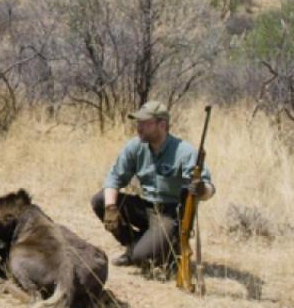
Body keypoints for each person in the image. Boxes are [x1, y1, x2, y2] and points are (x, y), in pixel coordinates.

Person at [90, 101, 214, 268]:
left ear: (162, 125)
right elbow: (114, 178)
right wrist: (111, 208)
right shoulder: (135, 146)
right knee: (100, 200)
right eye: (138, 123)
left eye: (145, 123)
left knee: (142, 257)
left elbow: (209, 189)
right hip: (146, 207)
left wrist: (201, 189)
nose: (139, 128)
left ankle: (165, 249)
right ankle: (133, 246)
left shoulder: (184, 151)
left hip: (169, 215)